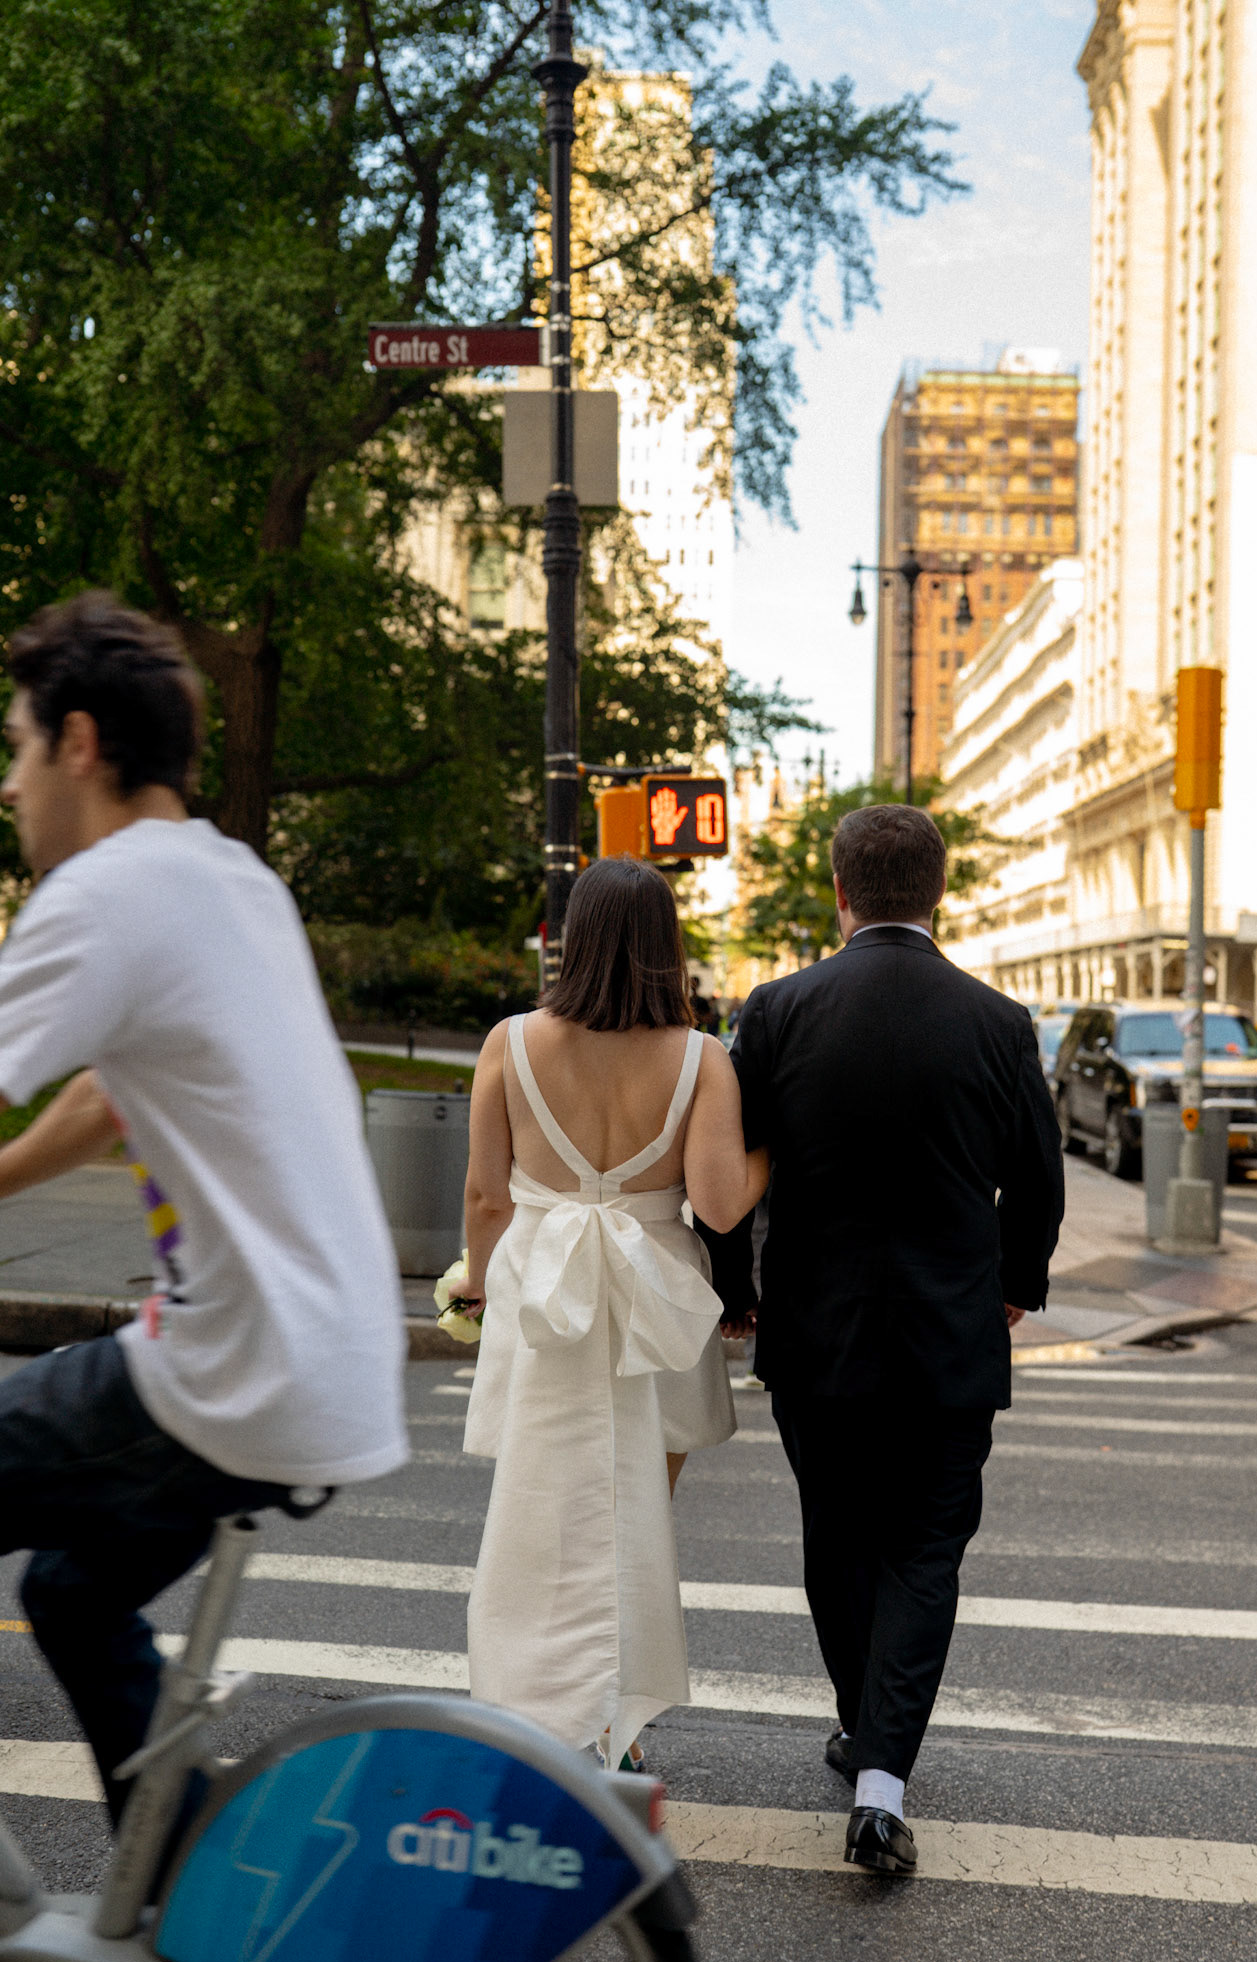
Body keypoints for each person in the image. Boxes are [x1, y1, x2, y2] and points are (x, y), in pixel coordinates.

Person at [0, 591, 408, 1816]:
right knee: (70, 1591)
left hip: (234, 1369)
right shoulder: (231, 878)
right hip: (326, 1362)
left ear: (80, 742)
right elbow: (104, 1104)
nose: (11, 787)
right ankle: (178, 1865)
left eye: (16, 748)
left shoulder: (104, 890)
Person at [698, 804, 1064, 1877]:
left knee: (838, 1540)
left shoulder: (776, 1010)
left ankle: (866, 1732)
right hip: (951, 1335)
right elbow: (1036, 1183)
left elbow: (723, 1178)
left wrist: (737, 1292)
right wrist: (1015, 1285)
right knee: (924, 1551)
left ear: (840, 890)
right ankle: (880, 1778)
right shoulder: (999, 1023)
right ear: (937, 893)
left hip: (816, 1332)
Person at [461, 857, 767, 1769]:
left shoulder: (508, 1044)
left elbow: (485, 1197)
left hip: (542, 1294)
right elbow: (718, 1207)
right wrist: (769, 1158)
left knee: (539, 1512)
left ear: (572, 940)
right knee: (634, 1516)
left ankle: (535, 1712)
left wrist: (478, 1288)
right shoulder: (700, 1057)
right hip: (655, 1303)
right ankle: (612, 1725)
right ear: (667, 947)